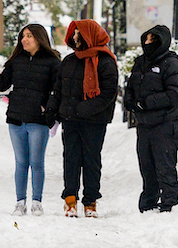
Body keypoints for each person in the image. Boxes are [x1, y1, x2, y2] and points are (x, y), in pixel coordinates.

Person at [0, 23, 61, 216]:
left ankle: (37, 202)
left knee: (37, 162)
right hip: (16, 118)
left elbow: (57, 92)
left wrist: (51, 116)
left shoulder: (52, 62)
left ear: (39, 38)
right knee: (21, 163)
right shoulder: (16, 60)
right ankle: (20, 202)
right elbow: (2, 85)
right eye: (23, 36)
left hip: (38, 121)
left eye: (29, 36)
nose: (24, 40)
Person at [45, 19, 118, 218]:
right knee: (71, 158)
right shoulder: (69, 61)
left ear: (90, 35)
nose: (75, 37)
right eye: (74, 34)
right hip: (70, 119)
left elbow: (109, 92)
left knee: (91, 160)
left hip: (94, 120)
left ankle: (90, 202)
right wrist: (52, 110)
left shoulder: (105, 61)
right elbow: (58, 89)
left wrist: (85, 108)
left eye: (79, 34)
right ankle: (70, 200)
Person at [123, 24, 178, 213]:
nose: (148, 43)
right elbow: (131, 87)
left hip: (166, 124)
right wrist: (131, 102)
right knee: (147, 166)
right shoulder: (140, 63)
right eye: (147, 39)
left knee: (164, 165)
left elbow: (173, 94)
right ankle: (148, 203)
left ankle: (169, 203)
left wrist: (147, 102)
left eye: (153, 40)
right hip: (145, 125)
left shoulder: (171, 64)